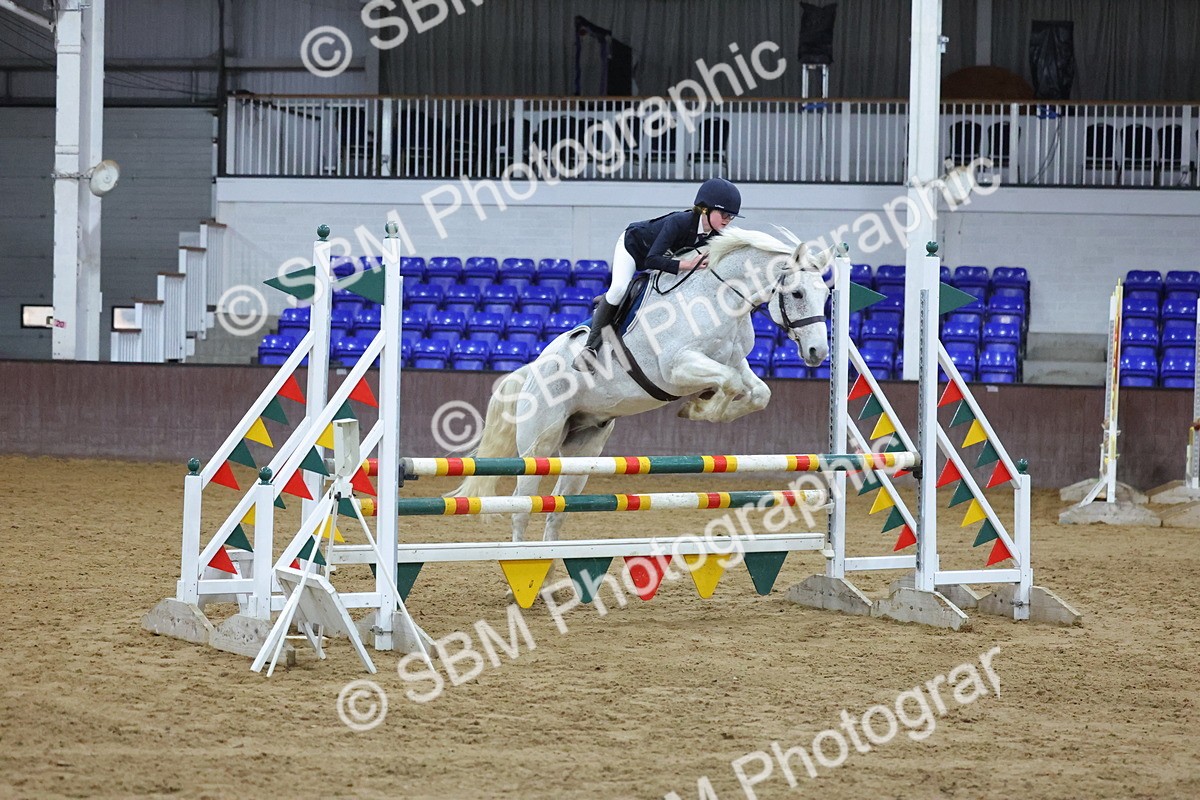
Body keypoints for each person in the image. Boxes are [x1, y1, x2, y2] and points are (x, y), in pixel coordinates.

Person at [573, 177, 742, 372]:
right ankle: (590, 349)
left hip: (662, 261)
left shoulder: (716, 236)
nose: (727, 220)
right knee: (619, 289)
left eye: (731, 217)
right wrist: (688, 264)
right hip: (634, 249)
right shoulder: (680, 222)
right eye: (724, 214)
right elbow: (651, 260)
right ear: (705, 209)